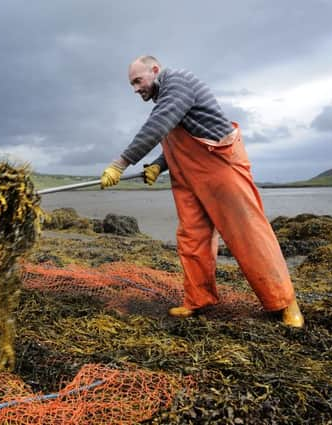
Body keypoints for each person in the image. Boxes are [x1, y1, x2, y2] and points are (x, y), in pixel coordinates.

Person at [101, 55, 304, 327]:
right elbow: (176, 132)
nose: (136, 89)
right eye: (131, 84)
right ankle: (198, 300)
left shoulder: (178, 83)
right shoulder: (165, 100)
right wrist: (159, 166)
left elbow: (160, 123)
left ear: (155, 70)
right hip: (188, 176)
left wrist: (120, 164)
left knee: (248, 232)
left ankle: (286, 302)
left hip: (220, 165)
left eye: (138, 81)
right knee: (192, 237)